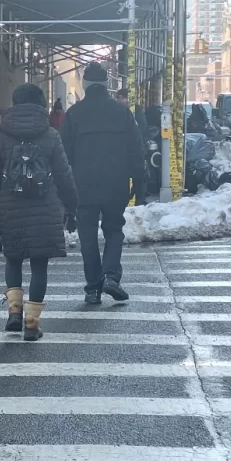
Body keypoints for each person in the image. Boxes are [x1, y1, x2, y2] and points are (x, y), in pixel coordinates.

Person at [0, 83, 78, 341]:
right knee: (39, 264)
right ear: (40, 104)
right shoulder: (50, 134)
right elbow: (63, 174)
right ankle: (32, 324)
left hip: (10, 205)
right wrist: (72, 206)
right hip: (44, 207)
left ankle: (14, 311)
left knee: (12, 258)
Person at [61, 62, 147, 305]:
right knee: (113, 230)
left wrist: (63, 189)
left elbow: (63, 154)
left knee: (87, 237)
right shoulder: (122, 113)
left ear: (85, 84)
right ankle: (111, 276)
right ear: (107, 84)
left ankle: (93, 288)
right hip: (115, 182)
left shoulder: (74, 114)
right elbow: (135, 150)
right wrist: (139, 183)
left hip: (83, 185)